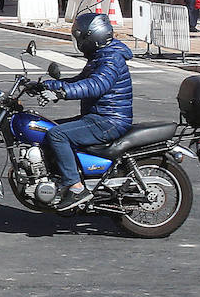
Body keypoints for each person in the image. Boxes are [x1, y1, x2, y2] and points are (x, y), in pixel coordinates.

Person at [38, 13, 134, 211]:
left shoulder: (111, 58)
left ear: (92, 37)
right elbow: (79, 81)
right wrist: (44, 85)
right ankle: (63, 178)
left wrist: (61, 93)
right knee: (48, 127)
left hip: (109, 120)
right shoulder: (102, 55)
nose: (79, 42)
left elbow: (95, 85)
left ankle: (76, 187)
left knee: (57, 135)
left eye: (81, 37)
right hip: (99, 116)